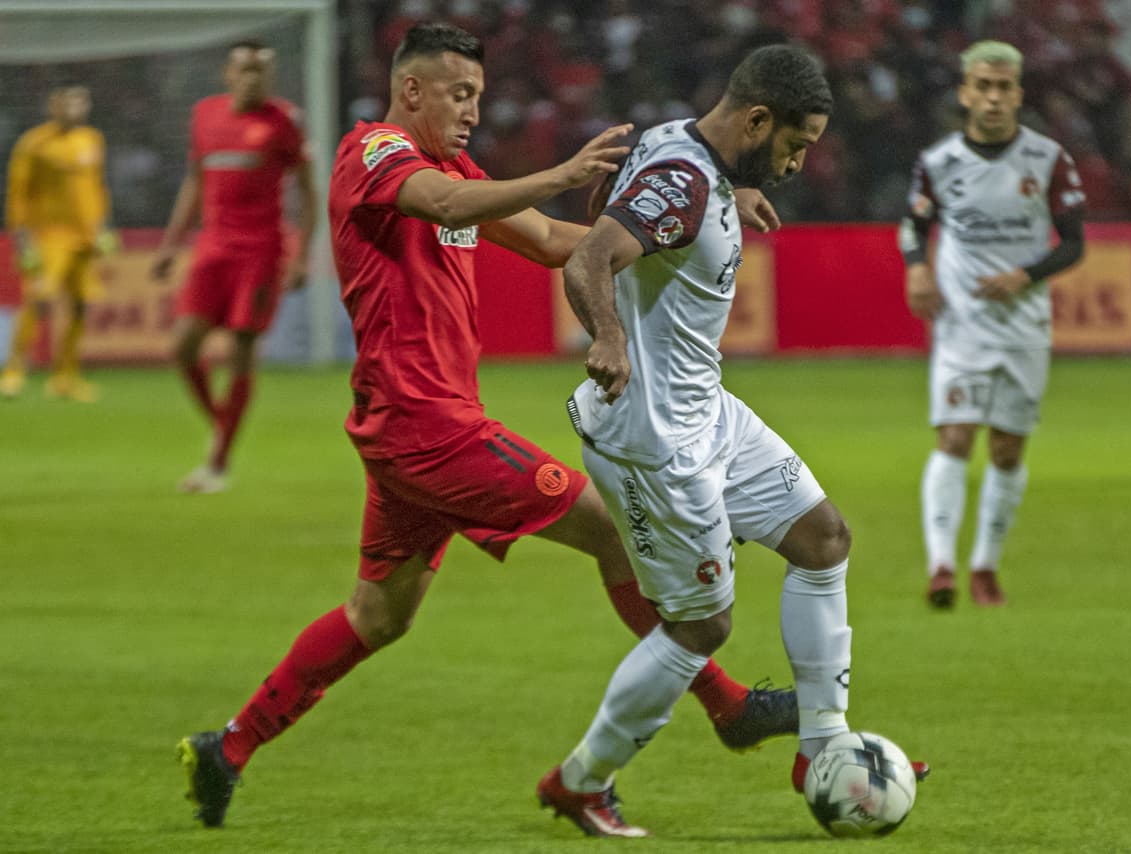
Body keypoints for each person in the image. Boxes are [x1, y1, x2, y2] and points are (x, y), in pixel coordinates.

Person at [175, 22, 796, 831]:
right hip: (432, 429)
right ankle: (728, 706)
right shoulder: (374, 154)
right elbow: (445, 203)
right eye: (459, 94)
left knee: (378, 617)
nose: (473, 110)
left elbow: (545, 240)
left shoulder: (453, 166)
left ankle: (228, 747)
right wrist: (564, 171)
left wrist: (703, 219)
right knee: (615, 533)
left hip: (410, 433)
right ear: (411, 91)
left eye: (478, 94)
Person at [537, 43, 914, 839]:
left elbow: (659, 194)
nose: (801, 159)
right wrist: (608, 337)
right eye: (794, 143)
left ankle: (819, 748)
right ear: (754, 118)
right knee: (700, 628)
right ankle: (581, 780)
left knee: (823, 538)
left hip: (707, 413)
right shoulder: (680, 184)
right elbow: (592, 256)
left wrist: (730, 195)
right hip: (654, 441)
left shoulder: (688, 156)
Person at [899, 41, 1087, 608]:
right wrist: (916, 271)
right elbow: (912, 226)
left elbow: (1074, 243)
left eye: (1004, 87)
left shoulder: (1049, 159)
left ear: (1018, 94)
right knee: (954, 436)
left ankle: (985, 566)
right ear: (965, 92)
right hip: (960, 323)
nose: (993, 97)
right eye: (983, 86)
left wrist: (1025, 275)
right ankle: (941, 567)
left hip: (1024, 324)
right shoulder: (938, 163)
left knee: (1006, 450)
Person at [151, 40, 317, 494]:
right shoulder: (205, 114)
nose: (254, 78)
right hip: (213, 249)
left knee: (242, 350)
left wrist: (302, 254)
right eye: (245, 70)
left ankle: (218, 462)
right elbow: (194, 181)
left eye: (263, 70)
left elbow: (307, 188)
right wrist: (171, 244)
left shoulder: (284, 121)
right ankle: (224, 425)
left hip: (261, 251)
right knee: (183, 347)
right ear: (228, 74)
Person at [1, 86, 115, 402]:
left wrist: (102, 228)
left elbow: (97, 188)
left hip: (85, 238)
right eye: (69, 101)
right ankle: (13, 371)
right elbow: (18, 194)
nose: (76, 107)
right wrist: (23, 240)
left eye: (81, 101)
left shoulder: (92, 140)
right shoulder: (34, 144)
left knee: (79, 304)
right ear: (54, 106)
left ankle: (65, 377)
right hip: (48, 237)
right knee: (38, 300)